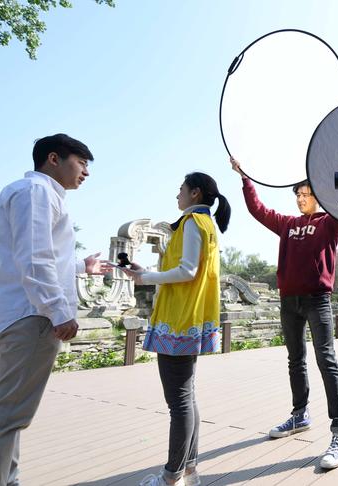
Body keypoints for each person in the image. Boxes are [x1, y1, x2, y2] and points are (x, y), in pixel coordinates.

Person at [0, 134, 103, 485]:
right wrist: (60, 312)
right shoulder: (37, 192)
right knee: (7, 416)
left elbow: (40, 254)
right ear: (53, 158)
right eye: (82, 162)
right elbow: (35, 257)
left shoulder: (35, 194)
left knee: (10, 414)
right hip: (32, 315)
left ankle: (7, 480)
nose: (86, 172)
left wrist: (79, 266)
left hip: (23, 312)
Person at [230, 157, 338, 469]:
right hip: (289, 301)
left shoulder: (329, 222)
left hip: (317, 300)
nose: (299, 199)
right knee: (295, 359)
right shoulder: (288, 225)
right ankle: (300, 415)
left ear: (318, 197)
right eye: (296, 195)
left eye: (305, 194)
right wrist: (246, 178)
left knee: (326, 359)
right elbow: (258, 209)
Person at [116, 172, 230, 486]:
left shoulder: (193, 223)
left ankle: (171, 476)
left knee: (179, 401)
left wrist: (146, 278)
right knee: (186, 398)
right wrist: (147, 272)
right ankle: (189, 470)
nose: (177, 195)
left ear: (195, 193)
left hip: (179, 320)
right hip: (188, 318)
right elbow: (184, 267)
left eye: (180, 190)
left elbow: (188, 270)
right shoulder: (204, 224)